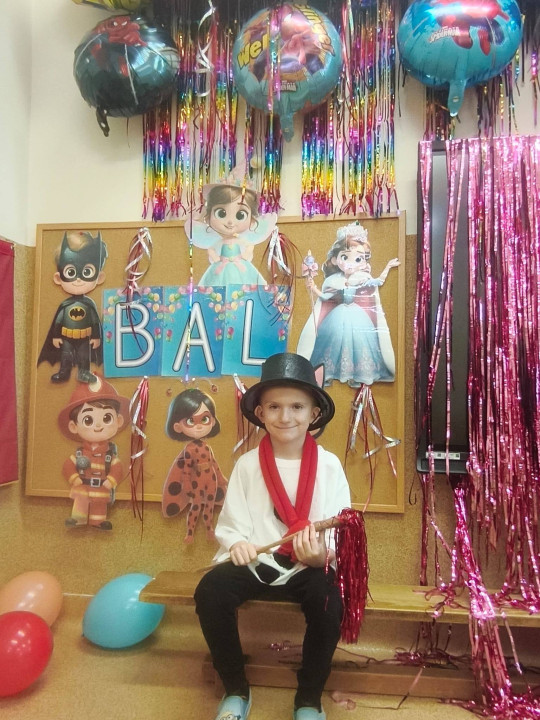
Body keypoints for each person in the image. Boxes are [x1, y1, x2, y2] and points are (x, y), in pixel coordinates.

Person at [194, 352, 351, 720]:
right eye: (275, 407)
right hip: (259, 562)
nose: (285, 416)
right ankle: (235, 689)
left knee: (330, 603)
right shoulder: (248, 464)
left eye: (297, 406)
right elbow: (233, 523)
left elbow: (341, 529)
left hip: (308, 566)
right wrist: (237, 543)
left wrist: (322, 555)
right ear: (261, 413)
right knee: (210, 591)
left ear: (314, 413)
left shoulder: (329, 466)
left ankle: (308, 699)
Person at [297, 222, 399, 387]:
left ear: (364, 261)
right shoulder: (333, 280)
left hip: (357, 316)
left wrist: (388, 266)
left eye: (358, 258)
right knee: (333, 339)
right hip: (337, 316)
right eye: (345, 257)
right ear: (335, 259)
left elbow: (378, 281)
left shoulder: (361, 278)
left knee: (358, 343)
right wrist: (313, 287)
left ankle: (357, 374)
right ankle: (327, 373)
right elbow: (325, 297)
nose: (351, 263)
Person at [57, 375, 130, 530]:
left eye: (106, 418)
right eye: (88, 420)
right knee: (81, 504)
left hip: (102, 489)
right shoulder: (79, 455)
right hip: (82, 488)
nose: (98, 426)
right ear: (73, 426)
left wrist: (111, 481)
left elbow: (118, 468)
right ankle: (78, 519)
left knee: (99, 507)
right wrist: (74, 478)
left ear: (118, 421)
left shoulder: (110, 456)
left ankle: (98, 521)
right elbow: (68, 466)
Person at [38, 230, 108, 384]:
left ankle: (84, 372)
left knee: (84, 356)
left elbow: (95, 322)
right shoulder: (65, 305)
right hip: (67, 337)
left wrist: (96, 337)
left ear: (99, 277)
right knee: (66, 355)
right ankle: (64, 372)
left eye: (87, 272)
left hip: (85, 338)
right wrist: (56, 336)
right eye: (71, 272)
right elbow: (58, 321)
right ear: (58, 278)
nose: (78, 279)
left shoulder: (89, 305)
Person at [162, 388, 228, 543]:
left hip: (211, 479)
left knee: (209, 506)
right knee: (196, 506)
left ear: (212, 421)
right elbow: (185, 470)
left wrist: (221, 478)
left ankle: (209, 528)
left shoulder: (207, 447)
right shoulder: (189, 449)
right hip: (196, 482)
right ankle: (190, 532)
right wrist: (186, 484)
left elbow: (214, 464)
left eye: (204, 419)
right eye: (191, 421)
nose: (198, 426)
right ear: (178, 427)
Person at [188, 182, 276, 286]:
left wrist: (246, 254)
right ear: (208, 216)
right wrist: (215, 257)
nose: (230, 222)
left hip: (240, 266)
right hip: (221, 267)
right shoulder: (218, 241)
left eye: (240, 215)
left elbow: (249, 246)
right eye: (221, 213)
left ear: (252, 220)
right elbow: (211, 249)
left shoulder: (242, 240)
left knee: (244, 287)